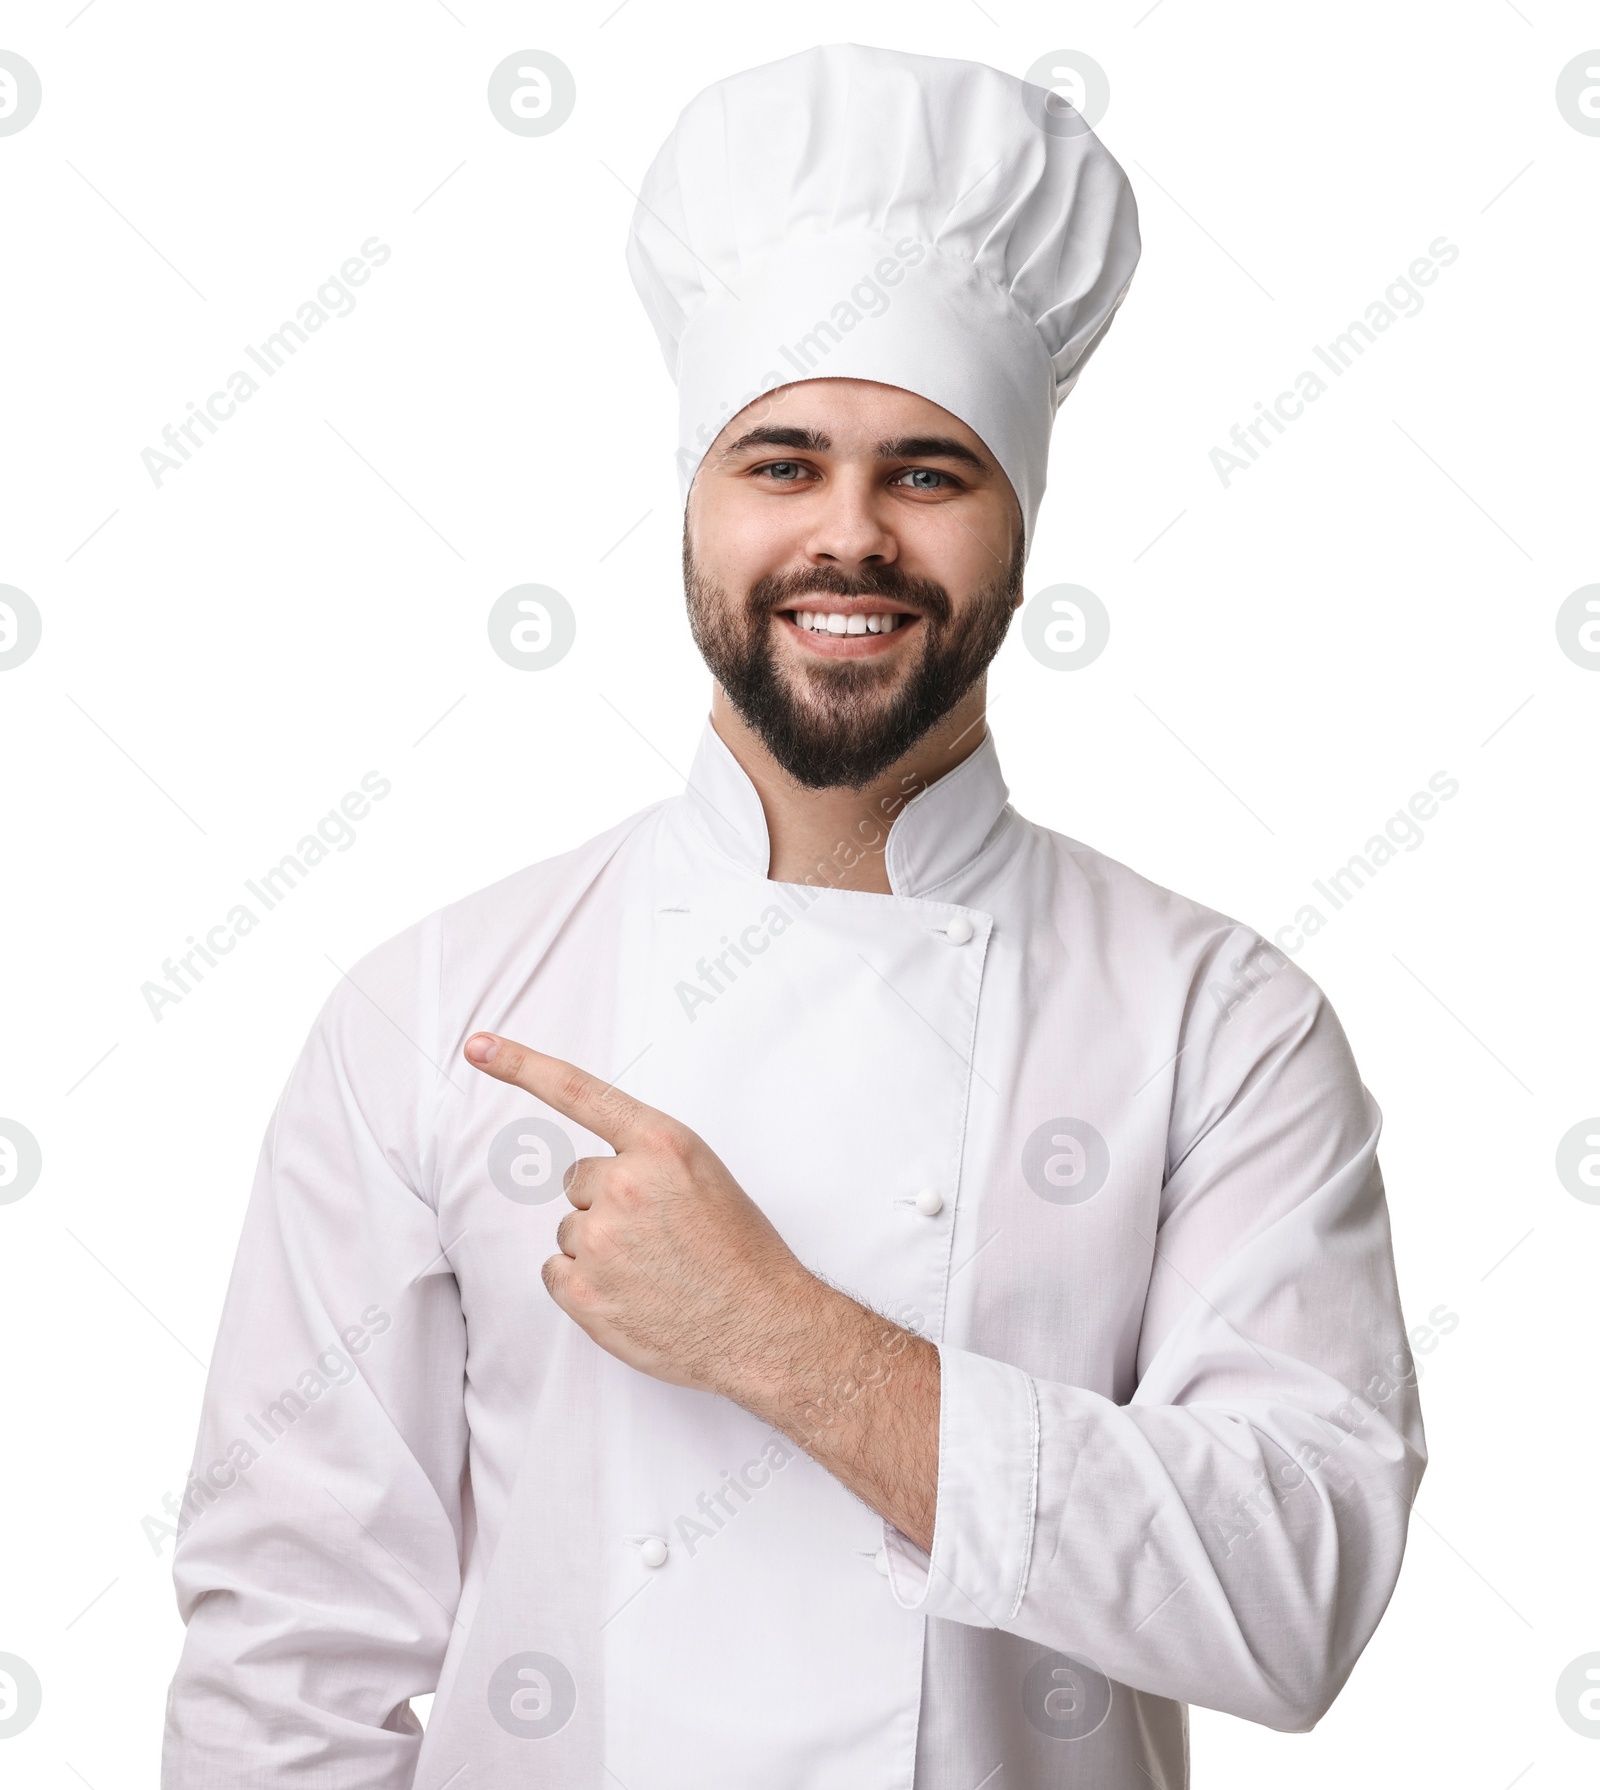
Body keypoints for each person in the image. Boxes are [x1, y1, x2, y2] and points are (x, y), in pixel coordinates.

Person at [161, 43, 1425, 1790]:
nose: (850, 535)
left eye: (927, 471)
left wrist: (784, 1339)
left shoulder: (1220, 1018)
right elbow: (289, 1658)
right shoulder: (436, 1006)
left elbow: (1298, 1587)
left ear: (1020, 525)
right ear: (691, 503)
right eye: (781, 463)